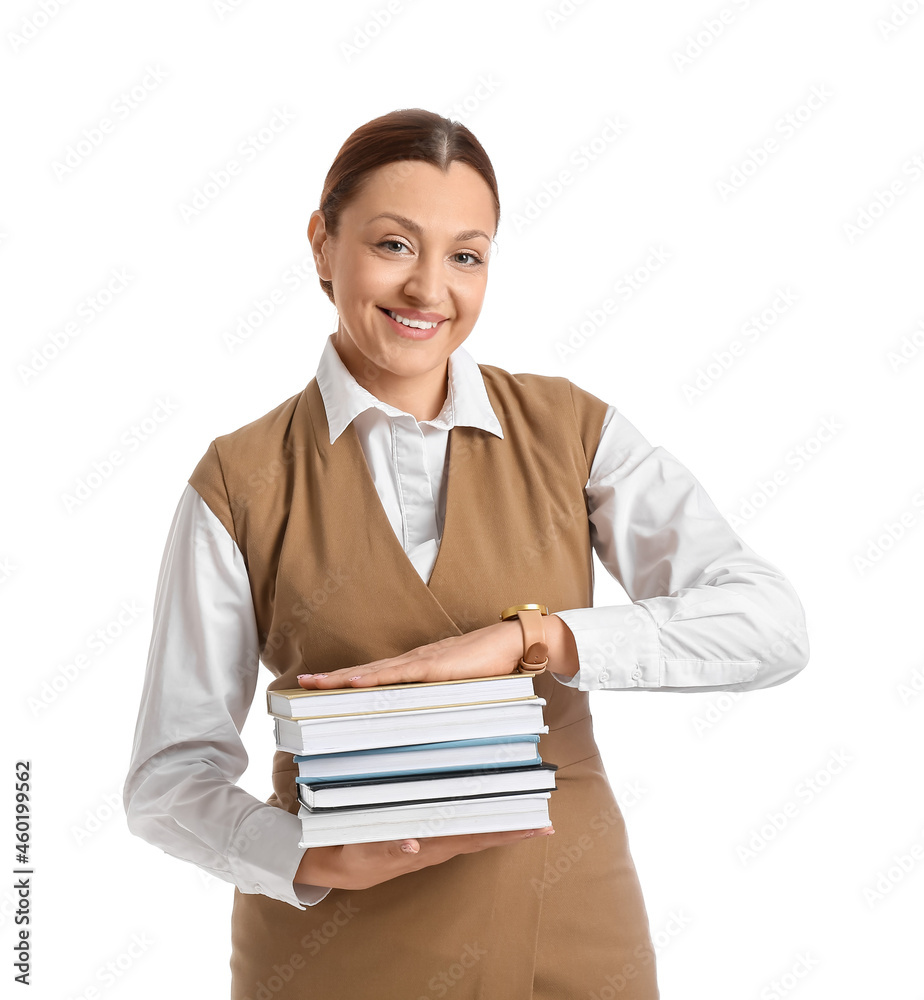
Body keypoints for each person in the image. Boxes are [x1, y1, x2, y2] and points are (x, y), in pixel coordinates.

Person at [123, 108, 809, 1000]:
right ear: (323, 246)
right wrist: (298, 854)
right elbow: (169, 776)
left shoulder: (573, 434)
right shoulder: (239, 481)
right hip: (329, 953)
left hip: (565, 936)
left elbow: (771, 626)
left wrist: (540, 639)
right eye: (395, 245)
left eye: (466, 255)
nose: (429, 291)